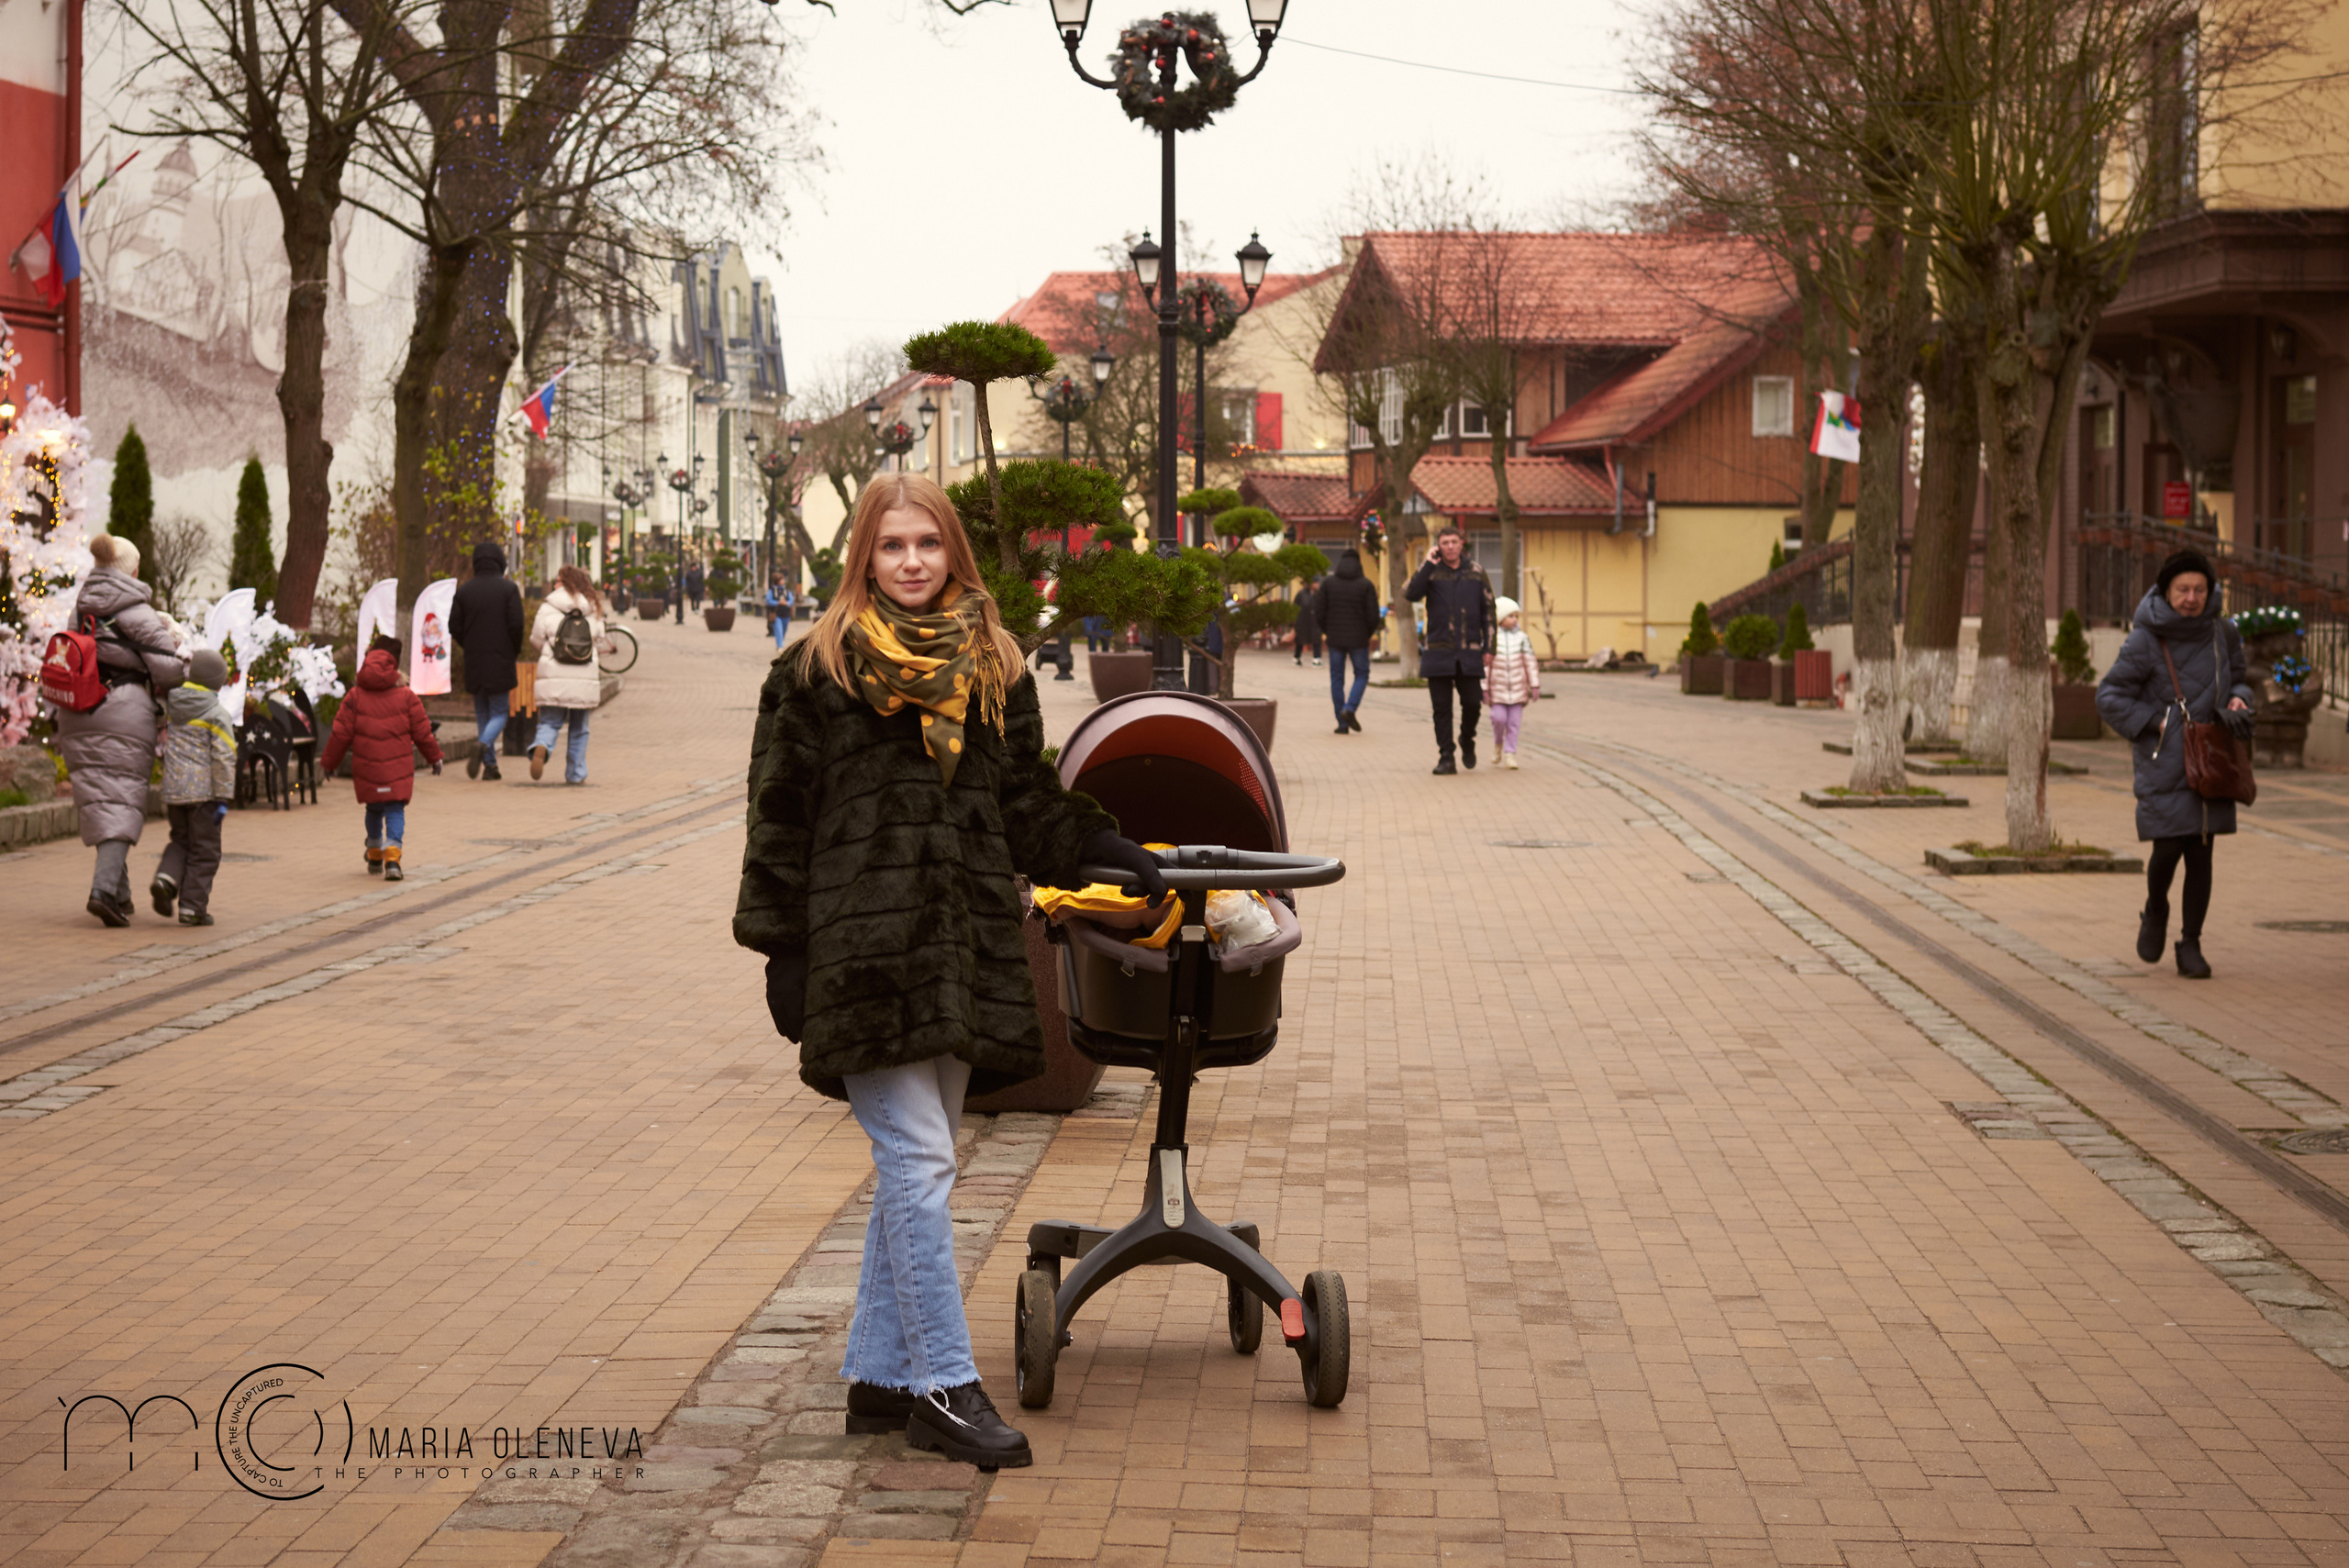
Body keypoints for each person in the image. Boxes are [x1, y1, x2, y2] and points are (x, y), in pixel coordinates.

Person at [734, 472, 1166, 1470]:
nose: (913, 561)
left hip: (964, 944)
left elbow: (1023, 798)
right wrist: (783, 950)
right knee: (924, 1160)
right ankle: (940, 1380)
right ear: (864, 558)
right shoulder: (814, 668)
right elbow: (777, 818)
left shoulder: (994, 664)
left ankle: (879, 1376)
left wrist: (1100, 845)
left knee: (915, 1165)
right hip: (861, 957)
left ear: (955, 553)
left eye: (928, 543)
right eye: (893, 546)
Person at [2097, 549, 2254, 980]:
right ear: (2166, 592)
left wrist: (2240, 697)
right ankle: (2155, 909)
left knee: (2201, 854)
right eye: (2182, 589)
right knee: (2167, 849)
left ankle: (2191, 943)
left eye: (2199, 589)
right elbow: (2109, 697)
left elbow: (2240, 676)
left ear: (2211, 590)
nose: (2191, 598)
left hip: (2213, 759)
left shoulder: (2223, 632)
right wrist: (2156, 722)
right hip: (2165, 760)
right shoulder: (2146, 639)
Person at [53, 534, 187, 926]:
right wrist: (175, 641)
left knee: (101, 798)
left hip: (77, 710)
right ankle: (103, 891)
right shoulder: (137, 611)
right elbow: (169, 670)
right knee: (122, 800)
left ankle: (119, 893)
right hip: (123, 711)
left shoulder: (80, 611)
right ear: (131, 569)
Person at [320, 639, 443, 881]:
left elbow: (340, 733)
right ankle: (393, 858)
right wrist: (435, 757)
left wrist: (329, 763)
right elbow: (422, 731)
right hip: (397, 768)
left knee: (374, 808)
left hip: (368, 767)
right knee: (394, 808)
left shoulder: (354, 696)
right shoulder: (406, 695)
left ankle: (374, 852)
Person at [150, 648, 238, 926]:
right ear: (217, 681)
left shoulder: (174, 705)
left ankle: (166, 879)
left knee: (181, 840)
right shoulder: (216, 713)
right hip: (205, 795)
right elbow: (224, 757)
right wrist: (224, 796)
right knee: (206, 850)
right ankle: (192, 907)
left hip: (175, 792)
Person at [1404, 525, 1497, 774]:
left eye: (1454, 542)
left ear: (1462, 543)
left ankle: (1467, 739)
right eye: (1445, 543)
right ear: (1439, 546)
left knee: (1473, 703)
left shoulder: (1476, 572)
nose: (1450, 547)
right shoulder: (1431, 572)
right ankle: (1446, 755)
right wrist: (1426, 564)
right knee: (1441, 709)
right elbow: (1410, 593)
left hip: (1470, 651)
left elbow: (1489, 611)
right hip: (1438, 651)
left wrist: (1490, 647)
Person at [449, 540, 524, 782]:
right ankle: (483, 746)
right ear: (500, 562)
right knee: (500, 712)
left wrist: (468, 645)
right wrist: (513, 650)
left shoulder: (464, 592)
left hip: (474, 660)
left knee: (483, 713)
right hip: (501, 659)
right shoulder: (509, 590)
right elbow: (516, 625)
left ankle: (490, 766)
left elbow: (454, 626)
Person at [528, 566, 607, 784]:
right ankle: (576, 773)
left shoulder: (549, 605)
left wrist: (551, 650)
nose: (554, 584)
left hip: (554, 673)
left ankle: (542, 745)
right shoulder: (592, 606)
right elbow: (599, 639)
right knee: (580, 727)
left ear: (564, 583)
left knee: (550, 721)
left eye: (557, 580)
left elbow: (536, 638)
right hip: (584, 676)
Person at [1318, 548, 1381, 735]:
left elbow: (1319, 612)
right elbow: (1373, 616)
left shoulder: (1328, 584)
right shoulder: (1366, 585)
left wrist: (1327, 631)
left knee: (1337, 678)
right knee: (1362, 674)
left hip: (1335, 638)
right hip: (1359, 639)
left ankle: (1342, 724)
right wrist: (1367, 634)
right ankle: (1350, 708)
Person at [1484, 595, 1541, 770]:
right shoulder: (1492, 640)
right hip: (1498, 690)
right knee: (1498, 718)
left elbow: (1530, 662)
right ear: (1500, 618)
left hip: (1518, 690)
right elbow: (1485, 666)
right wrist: (1484, 688)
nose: (1514, 619)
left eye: (1516, 616)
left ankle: (1510, 753)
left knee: (1514, 723)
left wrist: (1535, 685)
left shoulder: (1522, 638)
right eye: (1511, 616)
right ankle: (1498, 744)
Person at [1292, 576, 1324, 667]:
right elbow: (1295, 608)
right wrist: (1293, 623)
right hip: (1303, 622)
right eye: (1315, 583)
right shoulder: (1301, 594)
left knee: (1317, 639)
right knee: (1300, 640)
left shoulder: (1319, 594)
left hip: (1315, 622)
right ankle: (1297, 657)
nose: (1317, 585)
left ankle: (1316, 659)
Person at [765, 578, 788, 650]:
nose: (783, 581)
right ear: (777, 581)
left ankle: (780, 643)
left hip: (786, 613)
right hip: (776, 614)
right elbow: (768, 600)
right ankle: (780, 646)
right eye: (782, 579)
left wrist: (787, 603)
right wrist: (778, 603)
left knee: (784, 630)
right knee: (779, 630)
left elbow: (791, 600)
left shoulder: (786, 590)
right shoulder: (772, 591)